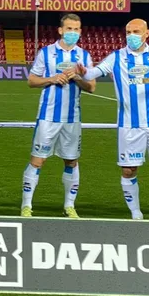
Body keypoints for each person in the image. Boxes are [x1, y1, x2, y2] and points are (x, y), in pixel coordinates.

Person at [76, 19, 149, 221]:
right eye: (128, 32)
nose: (131, 36)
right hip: (129, 125)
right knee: (129, 171)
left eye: (136, 32)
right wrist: (84, 73)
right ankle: (136, 214)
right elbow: (93, 73)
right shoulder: (116, 57)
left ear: (147, 34)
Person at [22, 13, 95, 218]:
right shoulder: (46, 53)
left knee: (71, 162)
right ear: (61, 30)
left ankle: (69, 206)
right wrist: (52, 78)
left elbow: (91, 87)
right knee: (37, 161)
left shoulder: (84, 56)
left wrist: (77, 77)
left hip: (72, 118)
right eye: (69, 29)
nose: (73, 32)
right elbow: (31, 81)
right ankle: (26, 206)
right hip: (47, 117)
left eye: (76, 29)